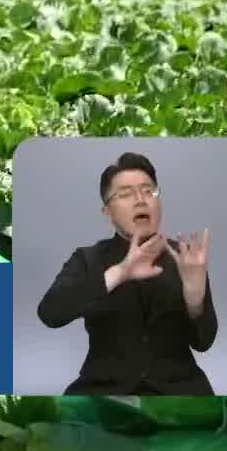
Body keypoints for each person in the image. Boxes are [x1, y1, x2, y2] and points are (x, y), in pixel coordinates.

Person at [35, 152, 216, 395]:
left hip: (178, 390)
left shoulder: (185, 257)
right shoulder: (87, 259)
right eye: (126, 194)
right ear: (107, 212)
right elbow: (50, 313)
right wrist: (119, 273)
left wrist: (195, 298)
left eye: (148, 191)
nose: (141, 200)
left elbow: (204, 343)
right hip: (102, 389)